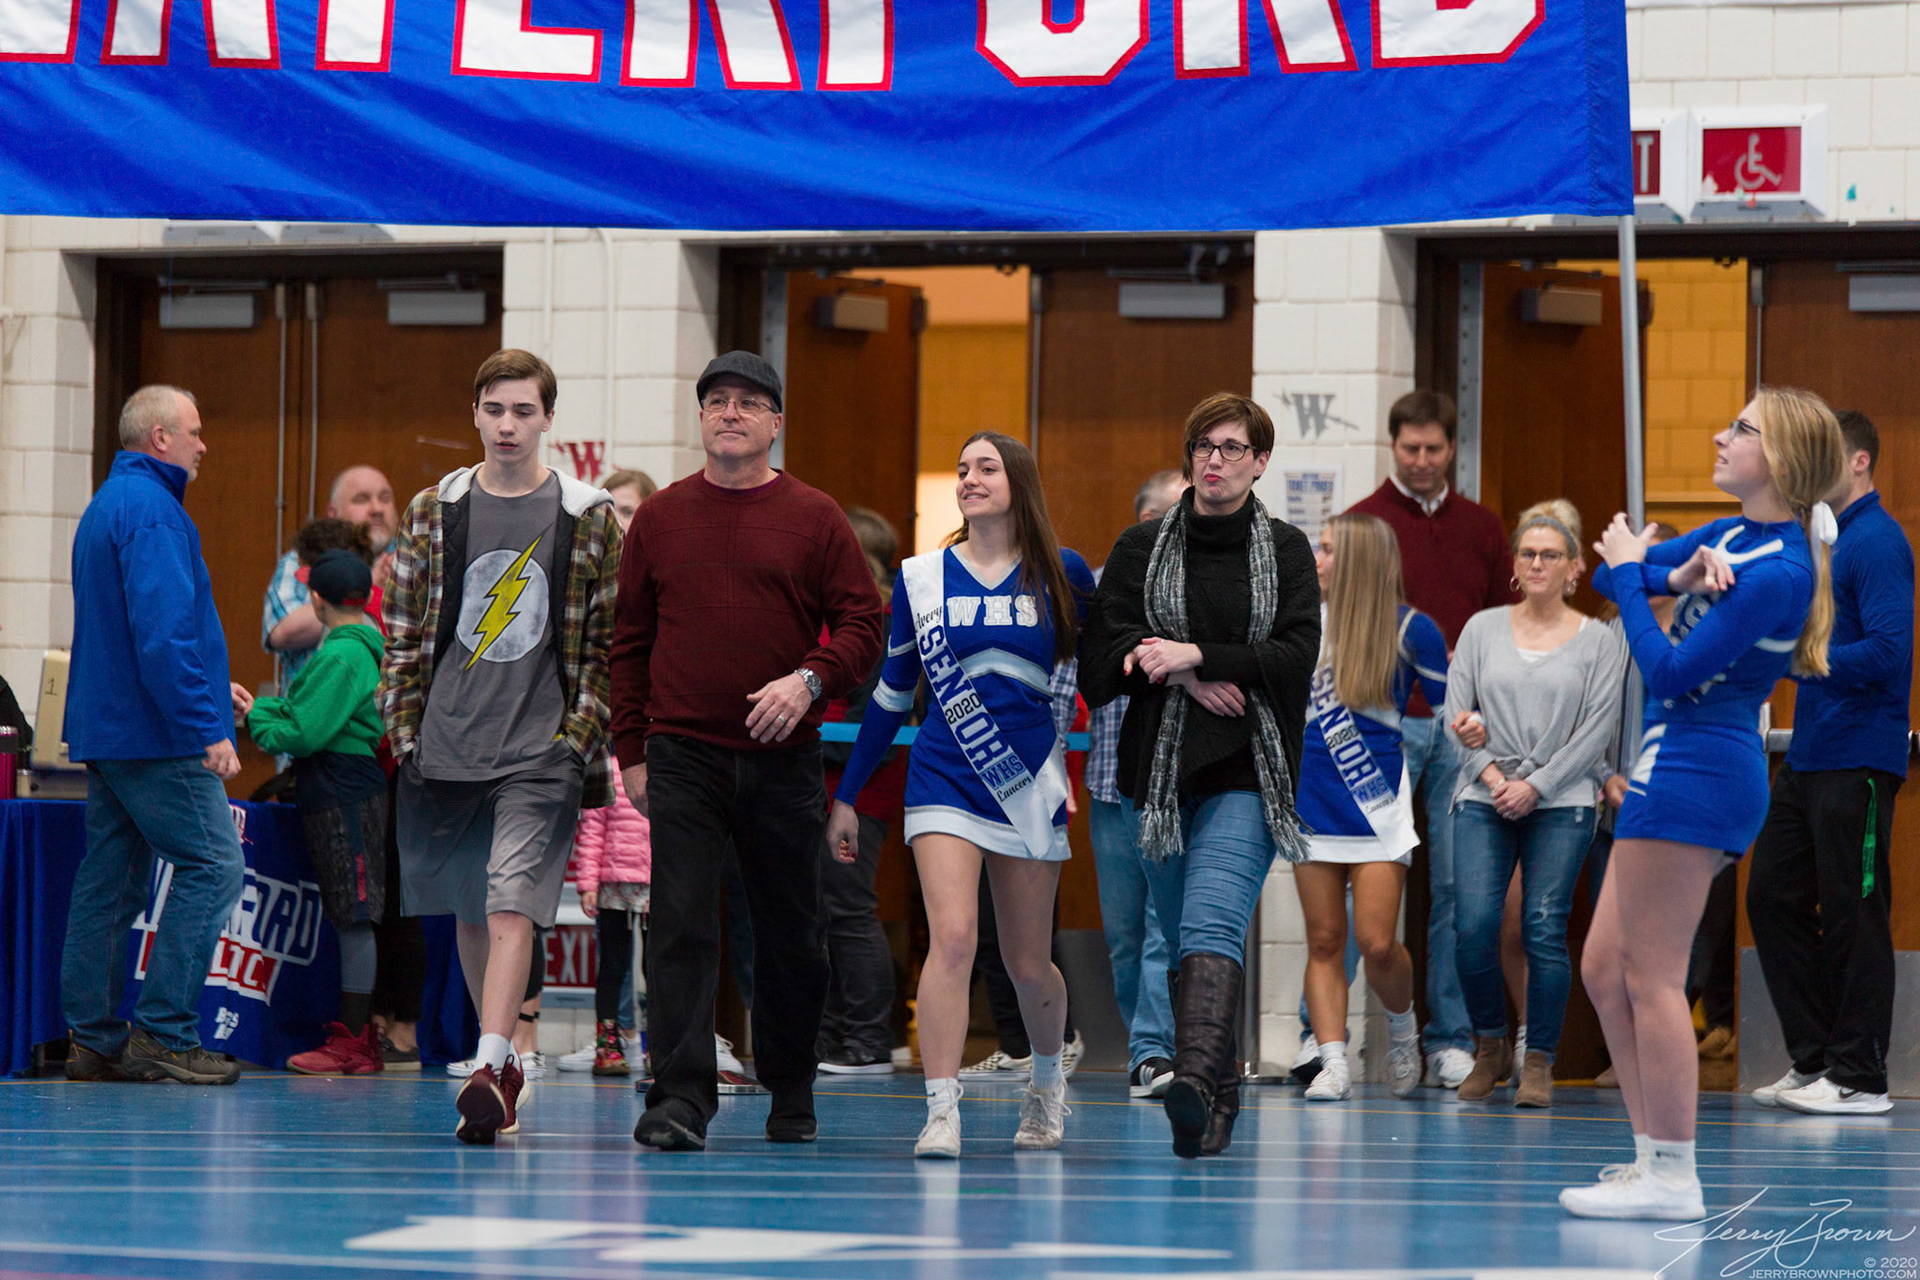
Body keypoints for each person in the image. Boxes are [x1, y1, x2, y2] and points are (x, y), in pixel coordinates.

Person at [1566, 385, 1845, 1220]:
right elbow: (1622, 570)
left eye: (1742, 429)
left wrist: (1633, 576)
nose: (1722, 436)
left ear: (1782, 459)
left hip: (1703, 768)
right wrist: (1669, 573)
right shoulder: (1728, 535)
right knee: (1602, 969)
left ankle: (1675, 1176)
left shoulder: (1781, 571)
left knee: (1653, 977)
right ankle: (1649, 1154)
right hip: (1669, 759)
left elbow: (1669, 669)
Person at [613, 350, 883, 1153]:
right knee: (680, 930)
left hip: (784, 759)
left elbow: (864, 625)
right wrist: (631, 751)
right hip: (683, 754)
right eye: (717, 401)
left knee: (793, 934)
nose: (730, 413)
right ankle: (679, 1098)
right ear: (701, 419)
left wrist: (809, 679)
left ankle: (791, 1088)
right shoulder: (659, 518)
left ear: (775, 423)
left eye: (748, 402)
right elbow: (628, 642)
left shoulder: (816, 517)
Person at [380, 349, 623, 1145]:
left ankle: (489, 1062)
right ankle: (505, 1063)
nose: (508, 425)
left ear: (548, 418)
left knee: (512, 899)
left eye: (524, 410)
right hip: (445, 745)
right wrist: (405, 733)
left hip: (540, 752)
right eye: (495, 410)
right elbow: (403, 632)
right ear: (476, 415)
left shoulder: (587, 515)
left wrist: (576, 738)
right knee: (471, 912)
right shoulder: (434, 509)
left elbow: (605, 642)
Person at [827, 430, 1093, 1158]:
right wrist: (848, 794)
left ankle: (1045, 1083)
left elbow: (1100, 667)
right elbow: (892, 694)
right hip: (943, 773)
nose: (970, 478)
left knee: (1028, 964)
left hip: (1027, 783)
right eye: (962, 469)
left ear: (1019, 482)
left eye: (987, 467)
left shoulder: (1063, 571)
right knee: (952, 938)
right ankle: (941, 1110)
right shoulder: (921, 579)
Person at [1081, 392, 1319, 1159]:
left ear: (1260, 461)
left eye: (1232, 447)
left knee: (1211, 926)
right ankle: (1219, 1097)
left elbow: (1294, 659)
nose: (1215, 460)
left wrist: (1199, 655)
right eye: (1203, 447)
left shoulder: (1285, 550)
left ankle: (1189, 1078)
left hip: (1249, 769)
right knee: (1186, 937)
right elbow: (1097, 666)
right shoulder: (1139, 548)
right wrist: (1180, 672)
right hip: (1156, 777)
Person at [60, 385, 245, 1086]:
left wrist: (213, 686)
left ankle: (93, 1039)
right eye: (194, 432)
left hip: (110, 729)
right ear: (160, 437)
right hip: (156, 736)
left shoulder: (108, 503)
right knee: (214, 865)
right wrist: (205, 724)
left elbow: (131, 632)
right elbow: (162, 636)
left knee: (110, 883)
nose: (203, 445)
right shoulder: (155, 512)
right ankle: (166, 1032)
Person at [1747, 408, 1912, 1116]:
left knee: (1854, 910)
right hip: (1811, 754)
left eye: (1824, 455)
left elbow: (1890, 651)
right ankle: (1816, 1058)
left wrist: (1807, 659)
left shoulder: (1877, 542)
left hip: (1860, 757)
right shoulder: (1824, 542)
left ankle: (1860, 1076)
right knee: (1770, 896)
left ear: (1859, 461)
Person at [1348, 390, 1513, 1088]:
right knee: (1353, 873)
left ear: (1452, 449)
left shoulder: (1482, 527)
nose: (1420, 460)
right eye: (1409, 448)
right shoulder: (1362, 523)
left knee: (1452, 884)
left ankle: (1448, 1039)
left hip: (1457, 725)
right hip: (1374, 726)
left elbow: (1502, 624)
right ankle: (1322, 1037)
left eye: (1433, 449)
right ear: (1393, 447)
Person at [1445, 500, 1626, 1109]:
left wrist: (1536, 786)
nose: (1538, 563)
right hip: (1484, 791)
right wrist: (1492, 773)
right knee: (1473, 927)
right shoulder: (1481, 629)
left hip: (1562, 799)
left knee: (1542, 927)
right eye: (1528, 554)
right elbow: (1456, 715)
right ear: (1515, 565)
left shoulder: (1597, 640)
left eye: (1551, 555)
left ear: (1574, 568)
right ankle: (1489, 1044)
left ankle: (1539, 1059)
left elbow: (1596, 732)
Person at [1293, 513, 1447, 1103]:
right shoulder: (1301, 622)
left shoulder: (1412, 629)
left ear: (1359, 560)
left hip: (1377, 804)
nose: (1318, 559)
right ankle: (1333, 1060)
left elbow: (1452, 709)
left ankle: (1404, 1031)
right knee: (1324, 940)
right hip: (1312, 800)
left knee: (1378, 943)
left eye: (1330, 549)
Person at [238, 550, 389, 1074]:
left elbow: (306, 731)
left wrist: (260, 723)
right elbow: (307, 710)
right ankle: (357, 1035)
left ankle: (355, 1041)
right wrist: (260, 708)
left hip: (343, 788)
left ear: (317, 600)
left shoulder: (342, 654)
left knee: (354, 913)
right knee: (350, 911)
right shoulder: (355, 646)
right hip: (339, 786)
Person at [1083, 469, 1182, 1100]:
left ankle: (1153, 1050)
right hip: (1106, 786)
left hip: (1171, 787)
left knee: (1161, 924)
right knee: (1123, 936)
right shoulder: (1101, 586)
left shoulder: (1198, 584)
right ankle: (1147, 1045)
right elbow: (1067, 678)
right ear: (1146, 521)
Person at [559, 469, 656, 1080]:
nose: (621, 522)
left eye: (631, 510)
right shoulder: (590, 575)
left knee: (661, 958)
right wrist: (589, 877)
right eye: (614, 510)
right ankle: (611, 1038)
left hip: (654, 863)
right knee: (615, 957)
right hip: (618, 866)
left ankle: (662, 1042)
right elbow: (595, 817)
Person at [817, 506, 906, 1077]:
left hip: (857, 787)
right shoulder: (833, 609)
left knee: (847, 908)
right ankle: (830, 1038)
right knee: (822, 912)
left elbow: (877, 713)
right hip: (821, 784)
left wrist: (809, 751)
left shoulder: (884, 618)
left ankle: (871, 1040)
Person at [265, 465, 398, 685]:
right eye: (361, 499)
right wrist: (365, 582)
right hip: (311, 701)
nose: (377, 508)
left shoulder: (412, 560)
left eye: (385, 498)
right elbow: (282, 633)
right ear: (332, 513)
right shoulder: (302, 559)